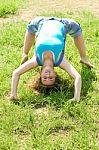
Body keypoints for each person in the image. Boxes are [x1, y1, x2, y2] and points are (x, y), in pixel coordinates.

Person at [10, 17, 93, 101]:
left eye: (44, 78)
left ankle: (24, 53)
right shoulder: (60, 61)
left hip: (41, 22)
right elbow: (77, 77)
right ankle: (83, 57)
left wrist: (13, 94)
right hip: (63, 23)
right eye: (51, 78)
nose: (48, 76)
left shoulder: (36, 60)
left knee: (31, 27)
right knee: (77, 29)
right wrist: (76, 97)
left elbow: (16, 73)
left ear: (40, 74)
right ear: (55, 75)